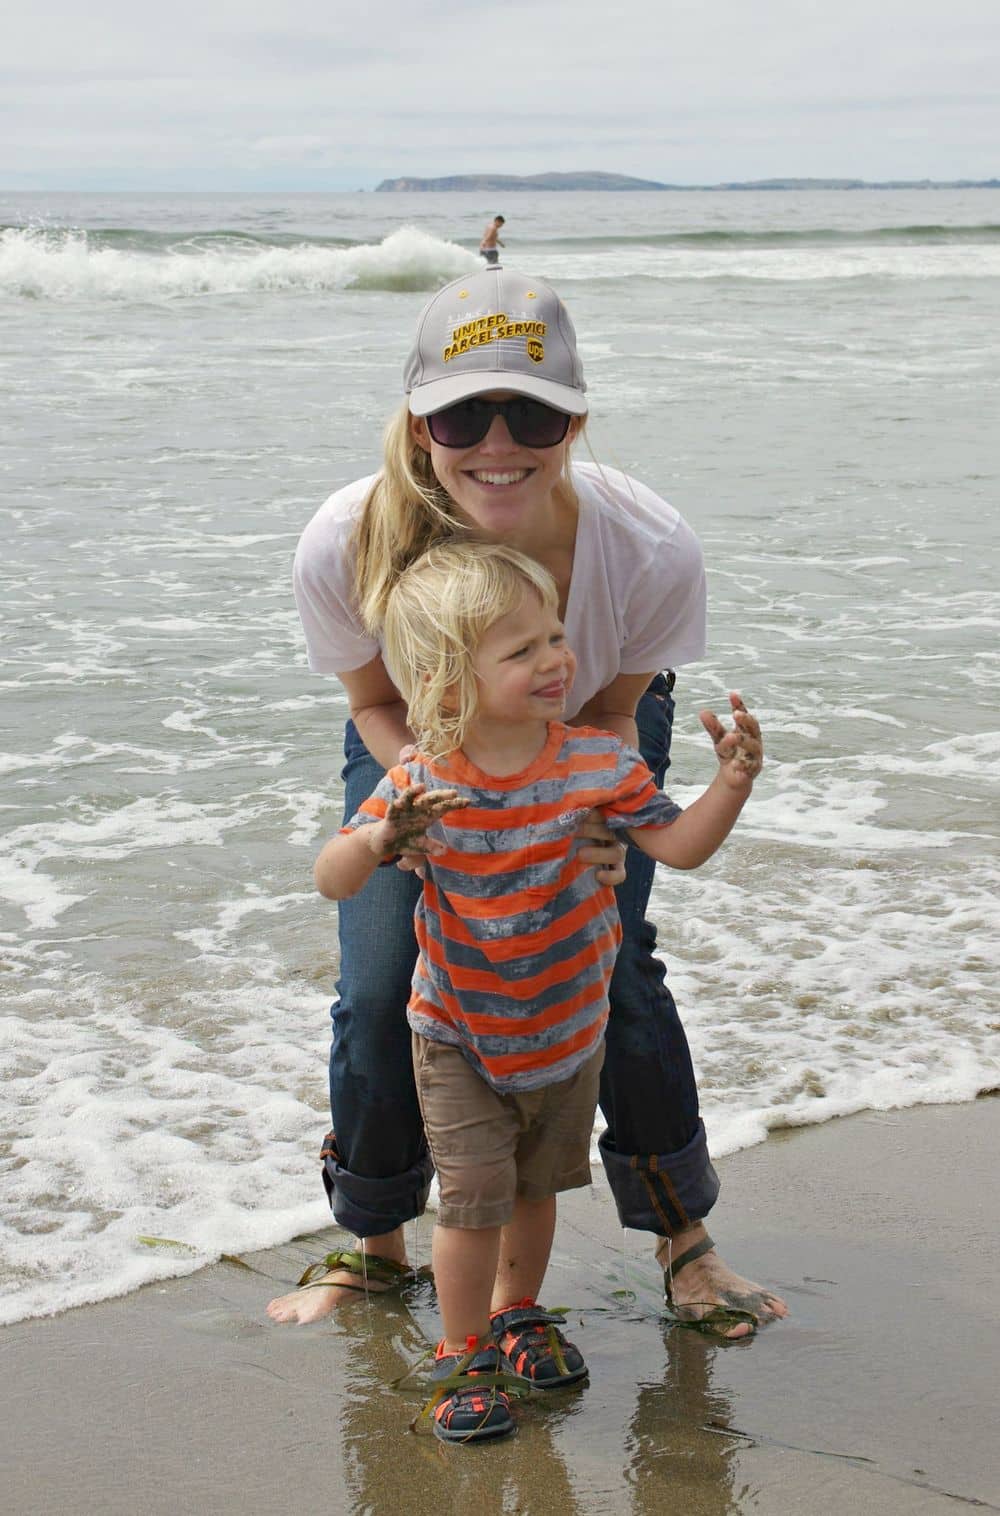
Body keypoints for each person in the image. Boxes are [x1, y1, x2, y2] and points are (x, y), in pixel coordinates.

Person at [268, 265, 788, 1338]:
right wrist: (424, 805)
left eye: (532, 412)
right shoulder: (347, 538)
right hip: (413, 735)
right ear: (419, 424)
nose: (496, 440)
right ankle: (373, 1245)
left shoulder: (647, 546)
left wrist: (585, 823)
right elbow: (372, 698)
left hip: (588, 721)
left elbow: (609, 705)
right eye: (463, 410)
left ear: (575, 420)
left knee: (606, 958)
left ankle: (683, 1239)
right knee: (379, 978)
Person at [310, 539, 766, 1442]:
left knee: (535, 1188)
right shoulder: (424, 780)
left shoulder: (599, 765)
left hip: (566, 1032)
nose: (557, 660)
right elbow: (332, 877)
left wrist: (734, 784)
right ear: (448, 679)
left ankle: (520, 1315)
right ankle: (463, 1351)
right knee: (474, 1195)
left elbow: (677, 847)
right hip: (459, 1034)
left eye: (556, 637)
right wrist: (378, 839)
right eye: (522, 651)